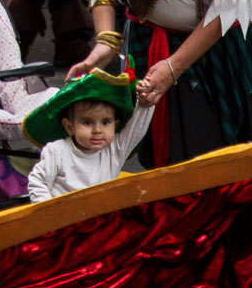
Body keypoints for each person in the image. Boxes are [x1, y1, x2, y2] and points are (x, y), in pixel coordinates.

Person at [67, 0, 252, 170]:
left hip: (230, 47)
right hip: (153, 41)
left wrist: (174, 66)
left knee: (243, 171)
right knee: (180, 172)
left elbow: (234, 4)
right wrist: (106, 39)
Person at [24, 64, 155, 202]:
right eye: (87, 122)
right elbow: (38, 182)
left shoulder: (114, 150)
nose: (97, 130)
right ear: (69, 127)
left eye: (105, 122)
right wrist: (51, 213)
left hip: (100, 220)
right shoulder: (57, 151)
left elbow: (136, 130)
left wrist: (145, 104)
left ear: (115, 125)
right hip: (66, 219)